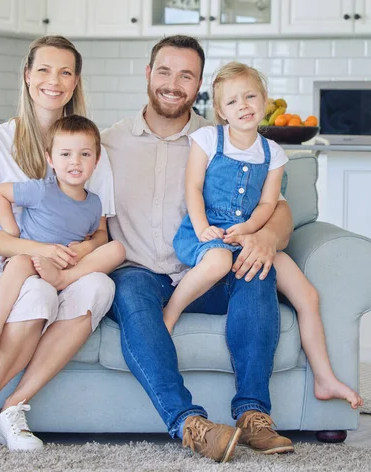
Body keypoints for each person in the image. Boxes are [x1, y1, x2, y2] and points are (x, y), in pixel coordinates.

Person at [102, 35, 295, 463]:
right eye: (165, 71)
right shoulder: (108, 142)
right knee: (131, 292)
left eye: (186, 75)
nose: (174, 83)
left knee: (257, 271)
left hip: (209, 269)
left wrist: (265, 237)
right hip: (140, 273)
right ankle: (191, 424)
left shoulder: (224, 138)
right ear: (148, 74)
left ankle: (253, 415)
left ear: (200, 84)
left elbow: (278, 205)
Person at [0, 36, 116, 453]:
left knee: (101, 287)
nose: (53, 81)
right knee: (37, 292)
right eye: (43, 70)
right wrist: (35, 251)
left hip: (60, 266)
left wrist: (73, 255)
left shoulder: (90, 148)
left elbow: (101, 233)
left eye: (64, 72)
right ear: (27, 77)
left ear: (76, 82)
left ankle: (14, 408)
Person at [165, 61, 362, 410]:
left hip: (248, 235)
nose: (243, 105)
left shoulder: (273, 153)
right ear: (220, 111)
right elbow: (192, 188)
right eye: (232, 101)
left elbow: (270, 203)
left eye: (251, 96)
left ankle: (324, 377)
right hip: (204, 231)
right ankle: (169, 314)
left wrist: (249, 229)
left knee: (307, 294)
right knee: (217, 261)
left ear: (265, 100)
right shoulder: (209, 139)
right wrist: (202, 229)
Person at [0, 115, 125, 368]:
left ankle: (62, 281)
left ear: (96, 160)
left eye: (85, 155)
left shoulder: (94, 202)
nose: (75, 162)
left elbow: (101, 234)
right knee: (17, 265)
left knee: (117, 248)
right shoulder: (41, 189)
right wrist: (12, 231)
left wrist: (87, 247)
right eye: (65, 154)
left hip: (69, 266)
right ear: (50, 159)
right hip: (34, 261)